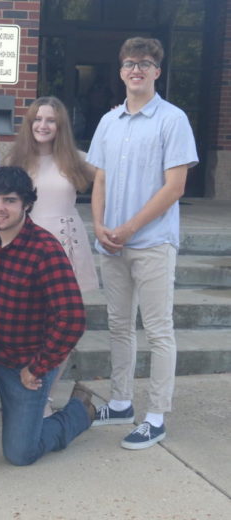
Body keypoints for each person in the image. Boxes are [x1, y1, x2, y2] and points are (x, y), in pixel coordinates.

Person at [87, 37, 198, 450]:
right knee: (118, 326)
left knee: (157, 330)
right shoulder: (109, 121)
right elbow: (99, 179)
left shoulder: (173, 120)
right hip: (111, 242)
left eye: (146, 63)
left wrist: (129, 228)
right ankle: (119, 402)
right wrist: (99, 225)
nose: (137, 69)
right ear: (120, 71)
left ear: (157, 71)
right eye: (130, 63)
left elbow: (175, 187)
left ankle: (156, 415)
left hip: (151, 242)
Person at [0, 167, 94, 466]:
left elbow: (73, 318)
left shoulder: (45, 250)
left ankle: (80, 410)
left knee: (20, 453)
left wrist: (38, 367)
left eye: (9, 200)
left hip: (25, 365)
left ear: (26, 204)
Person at [7, 96, 99, 416]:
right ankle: (26, 390)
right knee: (31, 326)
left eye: (50, 120)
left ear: (60, 127)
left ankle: (45, 396)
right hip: (26, 247)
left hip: (66, 244)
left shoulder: (76, 159)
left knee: (64, 326)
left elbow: (112, 174)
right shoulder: (15, 159)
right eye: (37, 119)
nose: (42, 126)